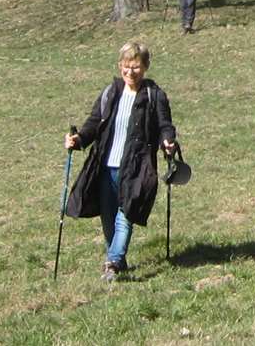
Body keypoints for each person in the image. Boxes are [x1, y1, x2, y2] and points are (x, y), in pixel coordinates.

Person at [62, 41, 178, 282]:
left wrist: (168, 142)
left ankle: (113, 262)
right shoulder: (111, 93)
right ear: (120, 66)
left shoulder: (154, 95)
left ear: (145, 67)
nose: (130, 72)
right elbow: (94, 123)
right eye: (126, 66)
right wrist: (78, 140)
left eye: (135, 66)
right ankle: (118, 260)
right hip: (106, 166)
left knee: (126, 215)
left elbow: (165, 126)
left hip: (136, 167)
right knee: (108, 218)